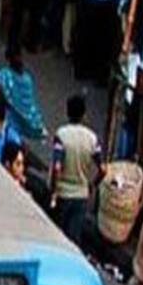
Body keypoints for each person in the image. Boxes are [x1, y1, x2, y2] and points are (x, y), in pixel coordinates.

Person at [49, 94, 101, 250]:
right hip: (81, 195)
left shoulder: (61, 135)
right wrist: (92, 185)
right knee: (73, 239)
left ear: (67, 113)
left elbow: (57, 167)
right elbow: (103, 168)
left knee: (56, 236)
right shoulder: (92, 138)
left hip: (63, 193)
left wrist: (53, 189)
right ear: (84, 115)